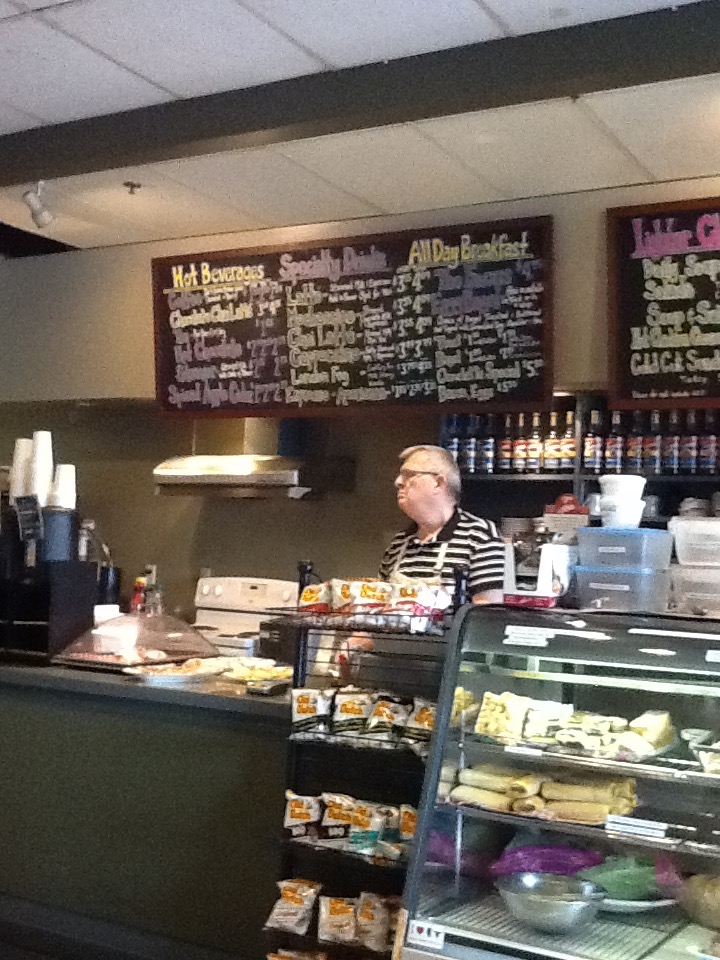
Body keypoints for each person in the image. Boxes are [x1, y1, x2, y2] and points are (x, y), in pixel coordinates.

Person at [379, 444, 505, 604]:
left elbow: (485, 613)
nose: (398, 482)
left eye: (409, 475)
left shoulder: (480, 536)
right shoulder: (399, 543)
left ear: (438, 483)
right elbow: (379, 604)